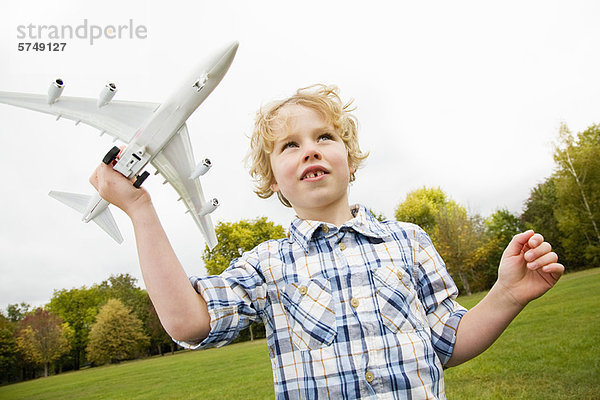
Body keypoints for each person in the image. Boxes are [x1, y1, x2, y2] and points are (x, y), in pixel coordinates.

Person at [89, 84, 564, 399]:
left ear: (350, 160)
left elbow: (448, 342)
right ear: (271, 178)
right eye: (289, 146)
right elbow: (188, 323)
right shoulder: (265, 264)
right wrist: (140, 210)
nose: (310, 148)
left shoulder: (410, 242)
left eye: (324, 137)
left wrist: (505, 296)